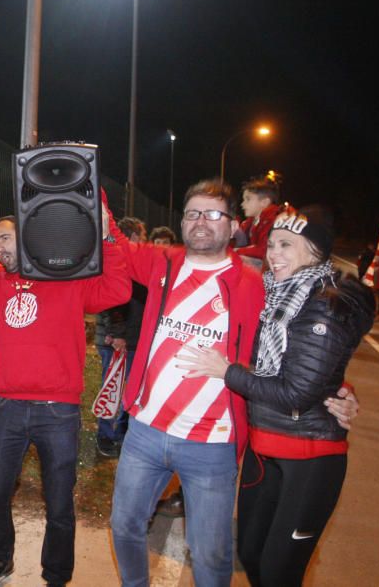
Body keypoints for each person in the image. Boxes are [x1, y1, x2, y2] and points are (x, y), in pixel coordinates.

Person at [108, 180, 359, 587]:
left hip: (213, 444)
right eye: (193, 213)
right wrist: (91, 192)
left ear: (231, 226)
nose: (201, 222)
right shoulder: (162, 263)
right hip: (145, 431)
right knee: (124, 527)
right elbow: (112, 242)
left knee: (211, 553)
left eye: (213, 214)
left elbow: (297, 348)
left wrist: (342, 389)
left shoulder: (257, 284)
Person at [177, 206, 374, 586]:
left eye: (286, 245)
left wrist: (227, 372)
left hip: (309, 456)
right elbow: (306, 370)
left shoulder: (323, 303)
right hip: (263, 448)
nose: (274, 254)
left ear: (315, 252)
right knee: (251, 555)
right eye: (272, 245)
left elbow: (296, 392)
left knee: (279, 572)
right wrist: (343, 390)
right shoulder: (274, 294)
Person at [0, 211, 130, 587]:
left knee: (59, 504)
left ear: (27, 237)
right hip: (8, 406)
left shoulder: (66, 280)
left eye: (5, 238)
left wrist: (108, 239)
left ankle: (56, 575)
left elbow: (119, 290)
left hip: (58, 410)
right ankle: (0, 559)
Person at [95, 217, 147, 459]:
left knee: (131, 391)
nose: (144, 242)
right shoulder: (116, 258)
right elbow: (111, 300)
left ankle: (121, 435)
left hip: (134, 339)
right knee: (112, 389)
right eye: (143, 236)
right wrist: (116, 334)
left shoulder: (137, 263)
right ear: (134, 236)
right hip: (117, 341)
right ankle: (105, 436)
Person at [236, 176, 284, 267]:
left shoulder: (273, 221)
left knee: (237, 260)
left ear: (264, 202)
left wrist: (236, 251)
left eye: (248, 199)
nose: (242, 204)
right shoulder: (250, 222)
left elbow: (264, 250)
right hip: (263, 263)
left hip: (272, 265)